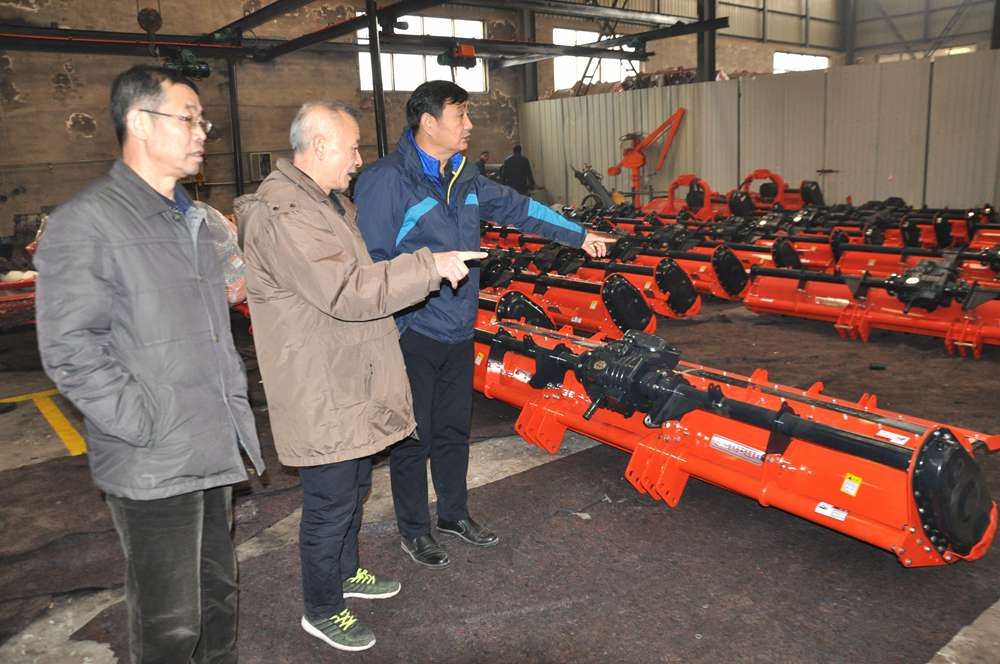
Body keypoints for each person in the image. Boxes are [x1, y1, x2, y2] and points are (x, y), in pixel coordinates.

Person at [34, 65, 264, 664]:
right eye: (188, 119)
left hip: (210, 441)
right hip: (154, 454)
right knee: (170, 624)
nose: (202, 132)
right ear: (139, 122)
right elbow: (70, 347)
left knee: (217, 601)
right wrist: (144, 422)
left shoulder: (192, 219)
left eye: (202, 121)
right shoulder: (87, 221)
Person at [236, 101, 484, 652]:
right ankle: (322, 608)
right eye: (351, 148)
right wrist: (428, 265)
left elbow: (360, 276)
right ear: (320, 145)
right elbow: (347, 290)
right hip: (319, 383)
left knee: (352, 488)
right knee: (329, 502)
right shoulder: (287, 213)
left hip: (345, 372)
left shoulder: (326, 204)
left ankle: (346, 572)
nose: (357, 159)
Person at [355, 80, 609, 570]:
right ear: (428, 122)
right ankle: (415, 530)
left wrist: (579, 235)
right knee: (413, 436)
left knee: (454, 430)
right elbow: (372, 265)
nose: (469, 125)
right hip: (411, 331)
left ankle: (454, 514)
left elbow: (520, 209)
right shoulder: (387, 180)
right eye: (460, 116)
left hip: (458, 327)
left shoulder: (464, 176)